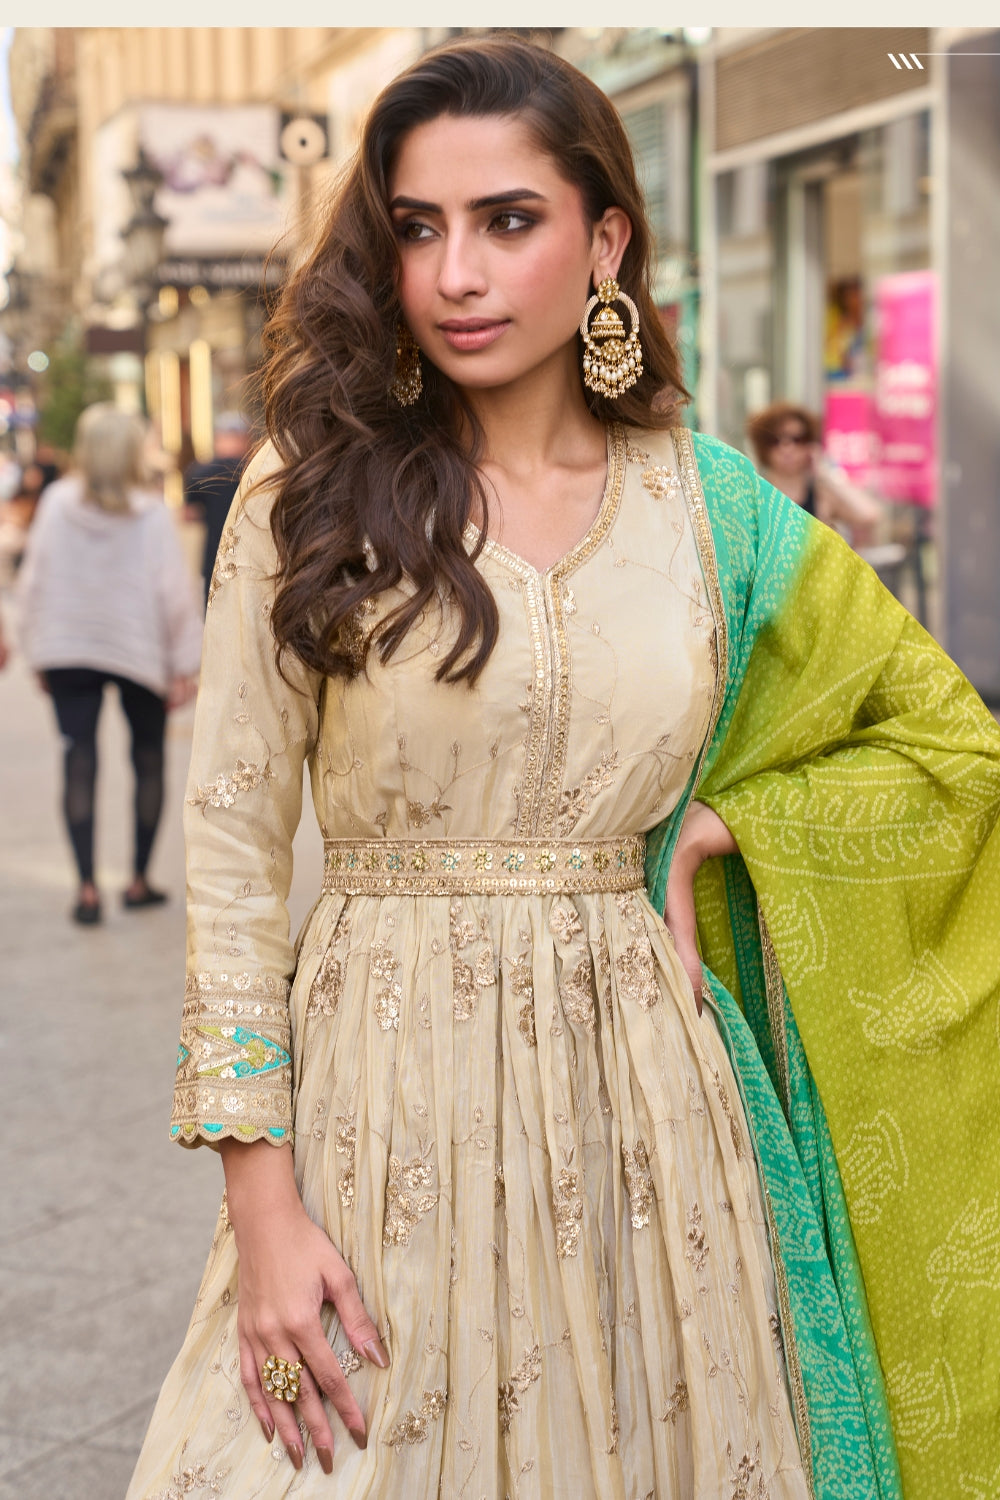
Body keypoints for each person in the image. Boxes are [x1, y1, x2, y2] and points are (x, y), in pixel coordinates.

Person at [127, 37, 1000, 1500]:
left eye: (508, 222)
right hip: (379, 1096)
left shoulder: (711, 509)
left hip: (650, 1113)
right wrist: (261, 1205)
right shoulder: (313, 488)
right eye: (419, 227)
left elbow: (947, 741)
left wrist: (741, 821)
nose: (456, 272)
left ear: (605, 239)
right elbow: (227, 847)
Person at [17, 403, 203, 924]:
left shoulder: (55, 502)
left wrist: (37, 647)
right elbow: (175, 592)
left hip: (68, 649)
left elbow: (35, 579)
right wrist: (186, 661)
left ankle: (87, 890)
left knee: (78, 758)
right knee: (147, 757)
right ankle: (139, 880)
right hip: (138, 650)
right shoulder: (148, 511)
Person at [746, 399, 884, 549]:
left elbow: (869, 515)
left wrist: (824, 472)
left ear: (810, 444)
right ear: (763, 447)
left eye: (797, 439)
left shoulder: (821, 494)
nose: (787, 448)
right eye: (776, 440)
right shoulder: (754, 493)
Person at [182, 411, 251, 605]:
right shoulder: (257, 472)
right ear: (245, 439)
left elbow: (187, 515)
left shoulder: (200, 473)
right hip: (252, 558)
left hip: (215, 557)